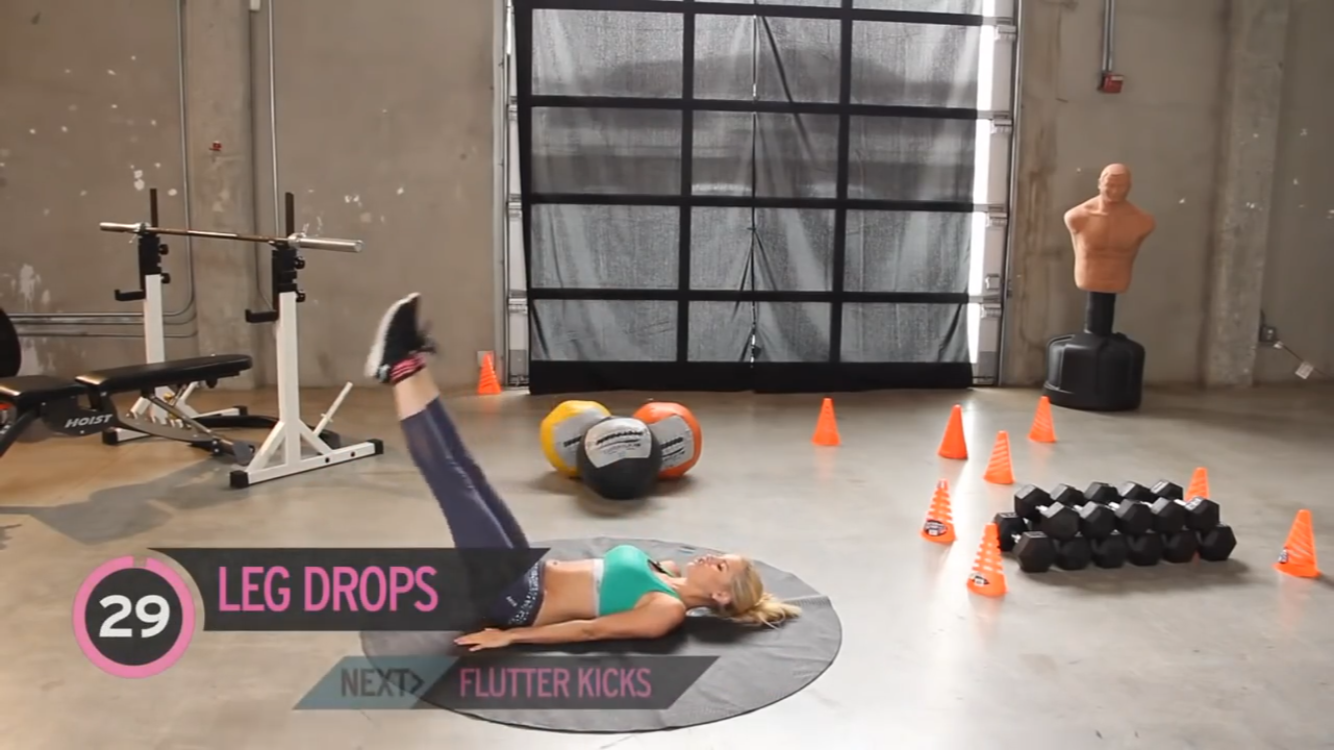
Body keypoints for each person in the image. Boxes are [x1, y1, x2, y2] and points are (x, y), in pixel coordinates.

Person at [365, 293, 800, 652]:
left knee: (453, 482)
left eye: (720, 566)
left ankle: (398, 371)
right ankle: (410, 363)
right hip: (527, 571)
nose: (710, 557)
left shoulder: (665, 609)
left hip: (516, 599)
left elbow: (591, 631)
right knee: (469, 471)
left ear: (720, 595)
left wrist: (511, 636)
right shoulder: (667, 570)